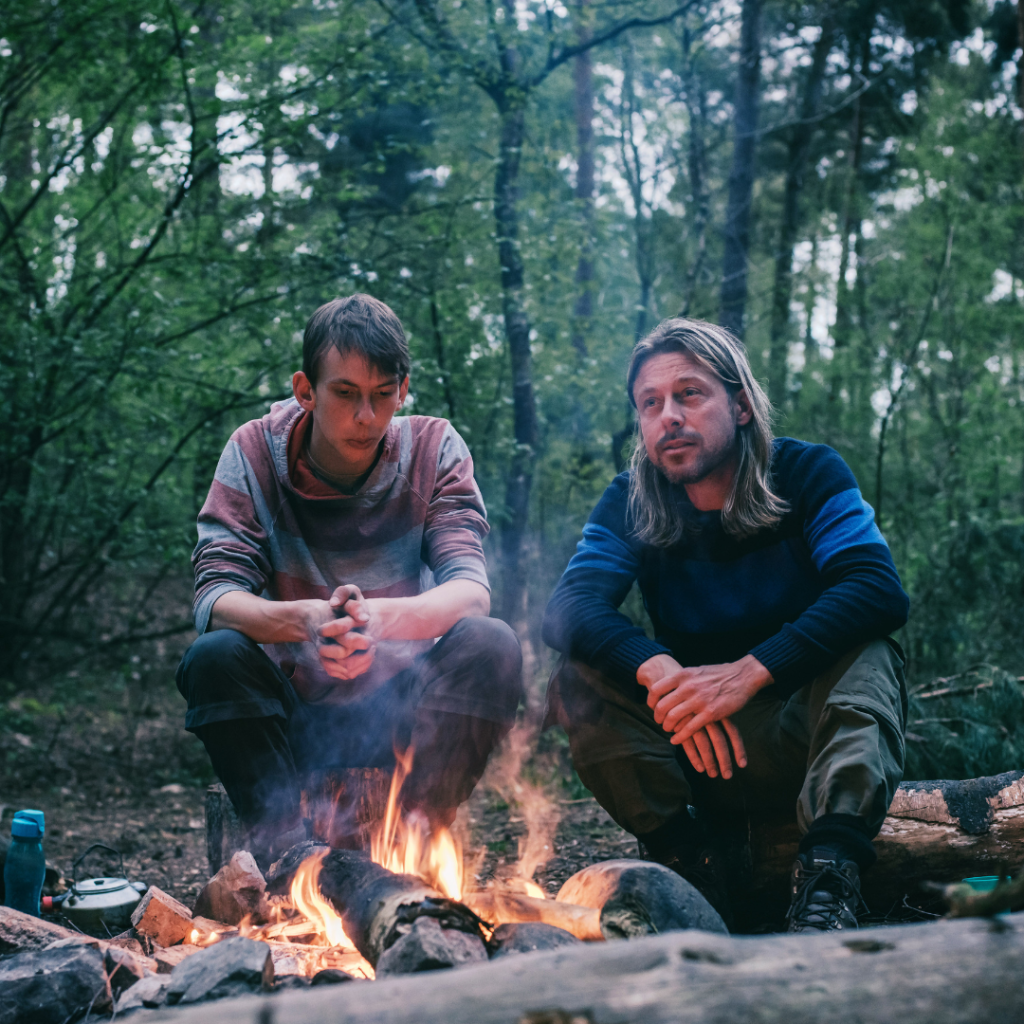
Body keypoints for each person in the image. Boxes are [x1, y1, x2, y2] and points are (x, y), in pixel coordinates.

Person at [542, 317, 908, 932]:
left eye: (690, 393)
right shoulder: (632, 499)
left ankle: (828, 882)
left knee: (868, 651)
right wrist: (657, 667)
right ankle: (688, 862)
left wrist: (750, 673)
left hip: (802, 738)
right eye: (649, 403)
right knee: (578, 677)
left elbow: (875, 588)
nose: (669, 417)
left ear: (739, 405)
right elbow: (567, 607)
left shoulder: (807, 474)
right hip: (696, 748)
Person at [177, 294, 522, 870]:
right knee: (214, 658)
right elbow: (215, 596)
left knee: (493, 643)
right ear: (305, 390)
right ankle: (291, 863)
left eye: (383, 395)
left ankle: (410, 850)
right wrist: (308, 622)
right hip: (293, 717)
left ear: (403, 389)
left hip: (401, 713)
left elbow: (470, 589)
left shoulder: (434, 448)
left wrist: (379, 622)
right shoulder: (254, 451)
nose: (367, 416)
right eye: (345, 394)